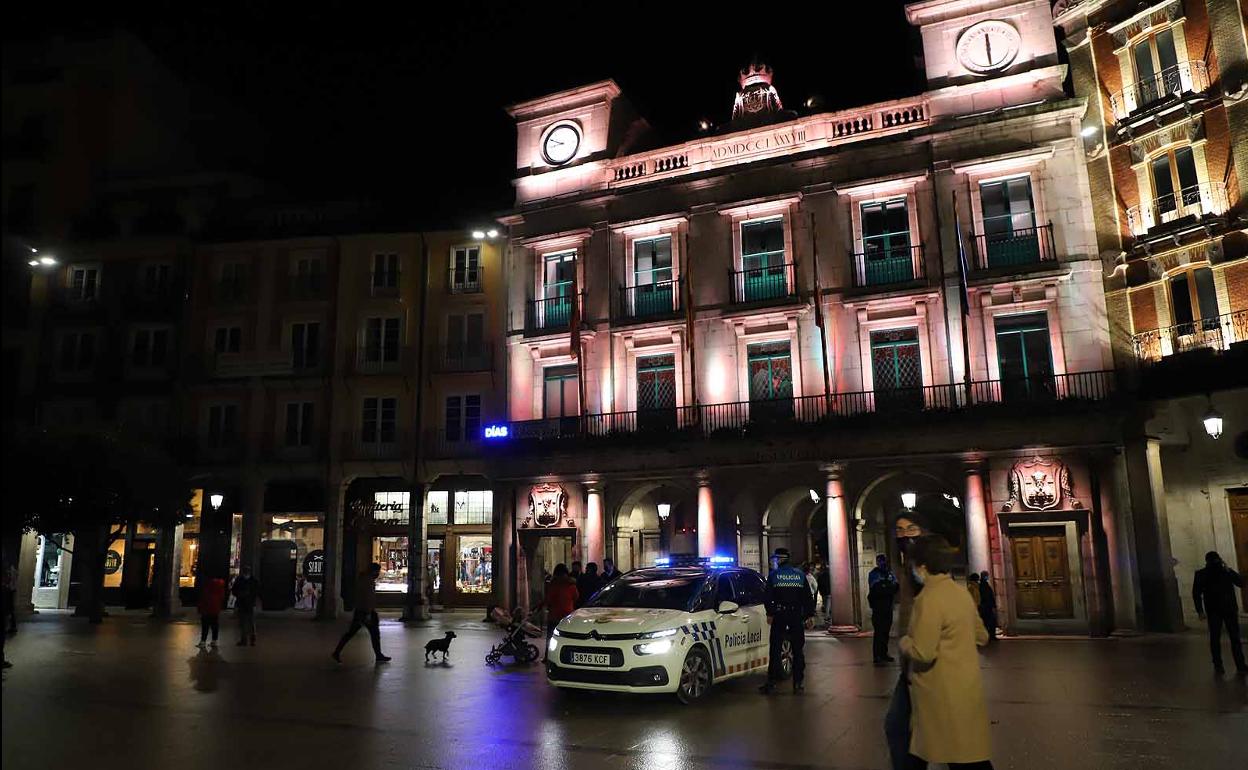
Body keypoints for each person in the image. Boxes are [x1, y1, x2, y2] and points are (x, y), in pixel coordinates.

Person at [899, 536, 993, 770]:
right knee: (965, 752)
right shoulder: (960, 593)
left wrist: (904, 642)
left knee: (942, 750)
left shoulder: (929, 599)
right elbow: (982, 636)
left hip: (939, 691)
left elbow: (923, 652)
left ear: (921, 566)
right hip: (966, 687)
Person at [760, 547, 816, 694]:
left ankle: (771, 683)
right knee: (797, 650)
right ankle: (798, 683)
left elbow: (768, 597)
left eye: (775, 559)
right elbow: (807, 598)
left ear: (780, 559)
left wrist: (770, 613)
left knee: (775, 649)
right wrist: (809, 615)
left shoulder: (774, 575)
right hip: (796, 616)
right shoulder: (799, 575)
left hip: (779, 615)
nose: (774, 562)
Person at [1192, 551, 1246, 674]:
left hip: (1217, 610)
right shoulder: (1222, 572)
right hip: (1226, 609)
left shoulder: (1203, 574)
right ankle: (1239, 665)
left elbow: (1196, 594)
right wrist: (1228, 569)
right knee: (1232, 638)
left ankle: (1220, 665)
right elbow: (1241, 583)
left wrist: (1200, 611)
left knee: (1216, 639)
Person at [332, 563, 391, 664]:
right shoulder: (368, 581)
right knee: (373, 634)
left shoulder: (363, 579)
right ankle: (378, 655)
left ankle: (337, 652)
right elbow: (367, 598)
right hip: (365, 612)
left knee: (354, 633)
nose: (378, 574)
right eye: (377, 571)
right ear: (374, 571)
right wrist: (368, 612)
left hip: (361, 610)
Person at [542, 563, 579, 661]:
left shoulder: (553, 585)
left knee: (551, 636)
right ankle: (567, 656)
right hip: (568, 615)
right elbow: (576, 597)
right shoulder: (571, 585)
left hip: (554, 614)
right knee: (567, 636)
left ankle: (548, 656)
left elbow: (548, 599)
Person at [868, 554, 900, 665]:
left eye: (884, 561)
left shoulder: (889, 574)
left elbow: (896, 586)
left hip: (888, 607)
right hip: (878, 608)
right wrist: (887, 587)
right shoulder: (874, 574)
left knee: (886, 631)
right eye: (880, 561)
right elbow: (876, 589)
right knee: (879, 632)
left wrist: (886, 587)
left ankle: (884, 653)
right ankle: (877, 655)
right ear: (877, 562)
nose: (883, 563)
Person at [231, 565, 260, 646]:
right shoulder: (254, 581)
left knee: (244, 622)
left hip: (243, 603)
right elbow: (257, 591)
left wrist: (240, 594)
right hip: (249, 604)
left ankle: (245, 639)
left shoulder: (239, 580)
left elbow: (234, 591)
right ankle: (251, 639)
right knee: (250, 622)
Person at [197, 576, 226, 647]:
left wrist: (200, 607)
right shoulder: (220, 584)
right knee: (215, 625)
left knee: (205, 625)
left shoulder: (206, 584)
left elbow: (203, 595)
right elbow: (222, 596)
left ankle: (203, 641)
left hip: (206, 607)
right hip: (216, 607)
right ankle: (214, 641)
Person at [977, 571, 998, 643]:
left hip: (986, 606)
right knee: (989, 622)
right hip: (986, 606)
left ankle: (991, 636)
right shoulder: (983, 585)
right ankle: (990, 636)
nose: (987, 577)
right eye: (986, 575)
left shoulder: (984, 584)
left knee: (989, 622)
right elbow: (987, 596)